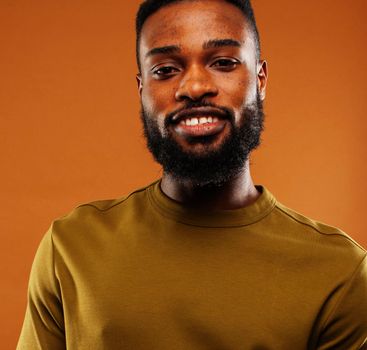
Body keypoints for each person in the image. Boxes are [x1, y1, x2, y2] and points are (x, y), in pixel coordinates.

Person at [17, 0, 367, 349]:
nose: (195, 87)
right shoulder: (71, 248)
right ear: (142, 91)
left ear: (260, 79)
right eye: (165, 70)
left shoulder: (341, 274)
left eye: (223, 63)